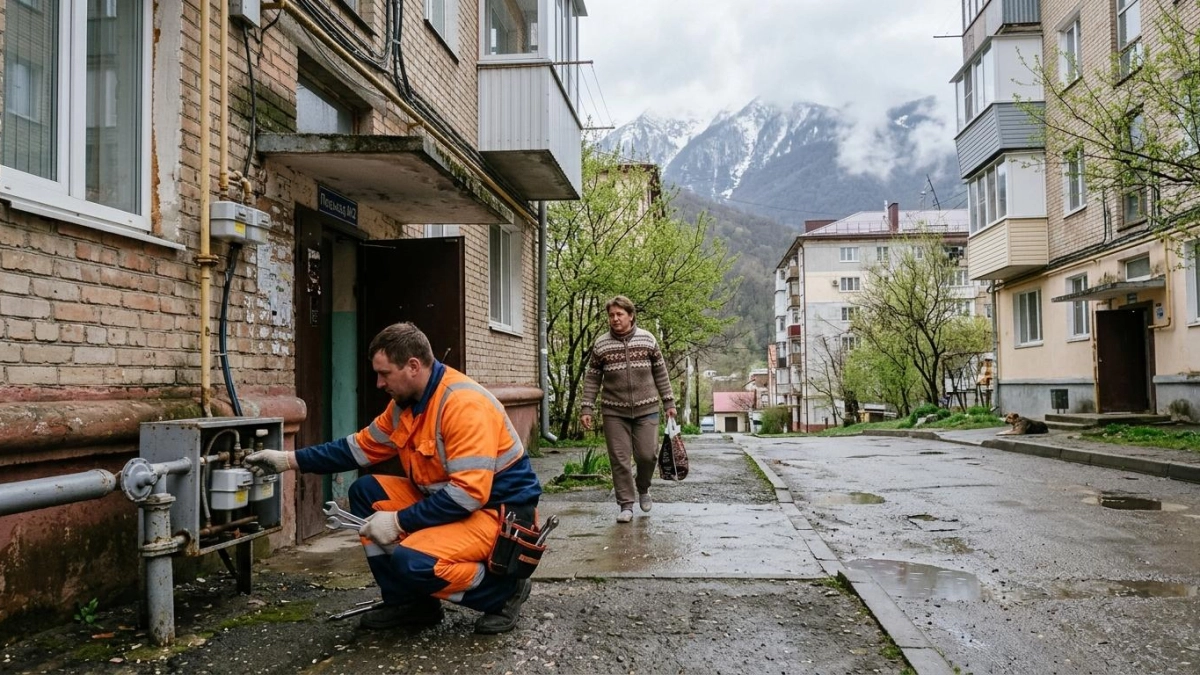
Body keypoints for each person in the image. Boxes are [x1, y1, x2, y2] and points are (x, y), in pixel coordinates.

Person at [245, 322, 541, 634]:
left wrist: (398, 523)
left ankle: (504, 594)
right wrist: (287, 460)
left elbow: (468, 495)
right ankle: (410, 603)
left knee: (412, 561)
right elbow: (357, 449)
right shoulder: (405, 406)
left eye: (384, 373)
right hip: (454, 505)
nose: (378, 383)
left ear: (413, 366)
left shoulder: (462, 405)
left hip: (497, 515)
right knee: (365, 491)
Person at [579, 296, 677, 523]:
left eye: (619, 314)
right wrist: (587, 408)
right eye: (611, 315)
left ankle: (643, 488)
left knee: (647, 455)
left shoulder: (647, 340)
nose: (615, 319)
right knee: (620, 459)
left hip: (647, 408)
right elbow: (592, 378)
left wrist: (669, 403)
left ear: (630, 315)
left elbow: (661, 373)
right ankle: (626, 505)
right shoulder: (601, 345)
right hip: (614, 411)